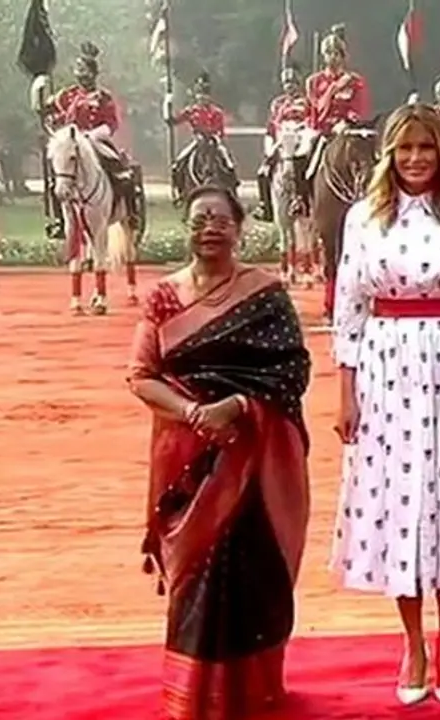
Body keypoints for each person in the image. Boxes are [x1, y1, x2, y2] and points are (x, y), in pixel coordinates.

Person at [329, 102, 440, 707]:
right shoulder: (363, 218)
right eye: (404, 149)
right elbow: (348, 308)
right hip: (385, 369)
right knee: (400, 505)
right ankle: (412, 643)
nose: (415, 160)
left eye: (426, 148)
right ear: (389, 154)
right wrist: (346, 392)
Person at [126, 185, 313, 720]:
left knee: (253, 566)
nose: (210, 227)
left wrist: (236, 407)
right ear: (186, 227)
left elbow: (291, 371)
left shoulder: (266, 293)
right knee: (195, 575)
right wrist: (194, 415)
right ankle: (194, 695)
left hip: (254, 455)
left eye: (220, 218)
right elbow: (140, 376)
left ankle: (257, 691)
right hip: (187, 455)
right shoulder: (163, 295)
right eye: (199, 218)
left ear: (239, 226)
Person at [44, 42, 138, 239]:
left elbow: (111, 124)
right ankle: (60, 220)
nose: (80, 74)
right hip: (71, 141)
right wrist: (50, 113)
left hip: (95, 139)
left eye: (84, 70)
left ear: (93, 73)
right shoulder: (67, 95)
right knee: (58, 177)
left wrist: (92, 135)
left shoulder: (104, 97)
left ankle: (129, 211)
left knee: (121, 170)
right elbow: (56, 114)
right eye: (78, 69)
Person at [303, 24, 370, 215]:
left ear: (343, 56)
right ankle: (301, 199)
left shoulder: (355, 81)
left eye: (336, 54)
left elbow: (360, 108)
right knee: (301, 156)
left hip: (347, 128)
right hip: (322, 129)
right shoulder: (314, 81)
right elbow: (318, 109)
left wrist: (347, 121)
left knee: (369, 156)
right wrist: (333, 89)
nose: (333, 58)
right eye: (329, 53)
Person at [253, 64, 313, 223]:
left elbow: (310, 121)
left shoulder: (307, 102)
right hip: (281, 138)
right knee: (262, 172)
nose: (289, 86)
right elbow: (272, 125)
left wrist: (300, 129)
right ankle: (265, 206)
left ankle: (305, 198)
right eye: (287, 83)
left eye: (293, 83)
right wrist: (270, 147)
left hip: (300, 137)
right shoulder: (277, 103)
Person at [167, 71, 236, 206]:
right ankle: (180, 192)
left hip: (214, 140)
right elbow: (172, 121)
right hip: (197, 140)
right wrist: (167, 104)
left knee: (228, 163)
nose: (202, 98)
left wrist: (215, 137)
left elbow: (220, 131)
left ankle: (233, 188)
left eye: (205, 95)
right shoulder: (191, 111)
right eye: (200, 94)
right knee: (178, 163)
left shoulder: (216, 112)